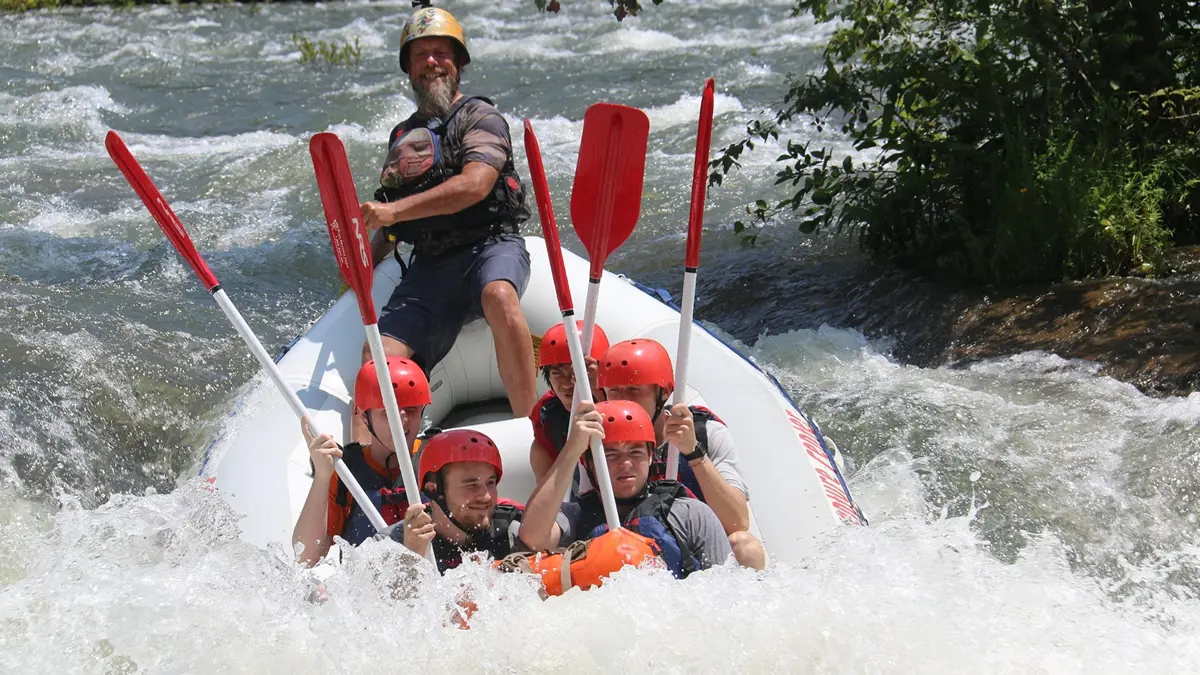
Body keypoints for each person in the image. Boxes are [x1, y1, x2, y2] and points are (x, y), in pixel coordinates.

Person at [350, 4, 537, 450]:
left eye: (441, 53)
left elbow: (476, 185)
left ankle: (534, 430)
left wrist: (393, 214)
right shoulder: (401, 137)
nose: (431, 62)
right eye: (421, 55)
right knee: (377, 359)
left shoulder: (481, 118)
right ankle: (370, 467)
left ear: (459, 63)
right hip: (431, 265)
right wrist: (363, 262)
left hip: (491, 247)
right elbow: (393, 216)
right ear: (409, 69)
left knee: (499, 295)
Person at [599, 338, 767, 570]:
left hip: (698, 544)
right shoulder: (598, 442)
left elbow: (737, 521)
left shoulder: (706, 433)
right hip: (635, 548)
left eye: (634, 390)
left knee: (745, 546)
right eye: (614, 391)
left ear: (664, 393)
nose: (623, 400)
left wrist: (693, 452)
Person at [519, 400, 734, 577]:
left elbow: (725, 590)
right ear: (590, 464)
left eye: (636, 453)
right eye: (610, 455)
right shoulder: (577, 516)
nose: (625, 464)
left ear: (651, 457)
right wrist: (572, 450)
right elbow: (533, 537)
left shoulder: (689, 514)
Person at [292, 356, 430, 566]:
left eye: (411, 410)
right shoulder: (343, 471)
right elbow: (306, 557)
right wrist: (322, 477)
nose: (402, 421)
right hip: (370, 589)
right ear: (364, 417)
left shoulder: (438, 458)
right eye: (388, 413)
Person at [398, 428, 524, 572]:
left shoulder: (514, 528)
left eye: (490, 483)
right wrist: (411, 558)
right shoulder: (395, 541)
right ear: (433, 489)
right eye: (471, 485)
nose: (486, 497)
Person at [528, 320, 610, 483]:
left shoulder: (624, 399)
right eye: (557, 374)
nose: (566, 384)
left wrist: (598, 391)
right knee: (537, 451)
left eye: (574, 373)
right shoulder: (547, 414)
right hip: (579, 490)